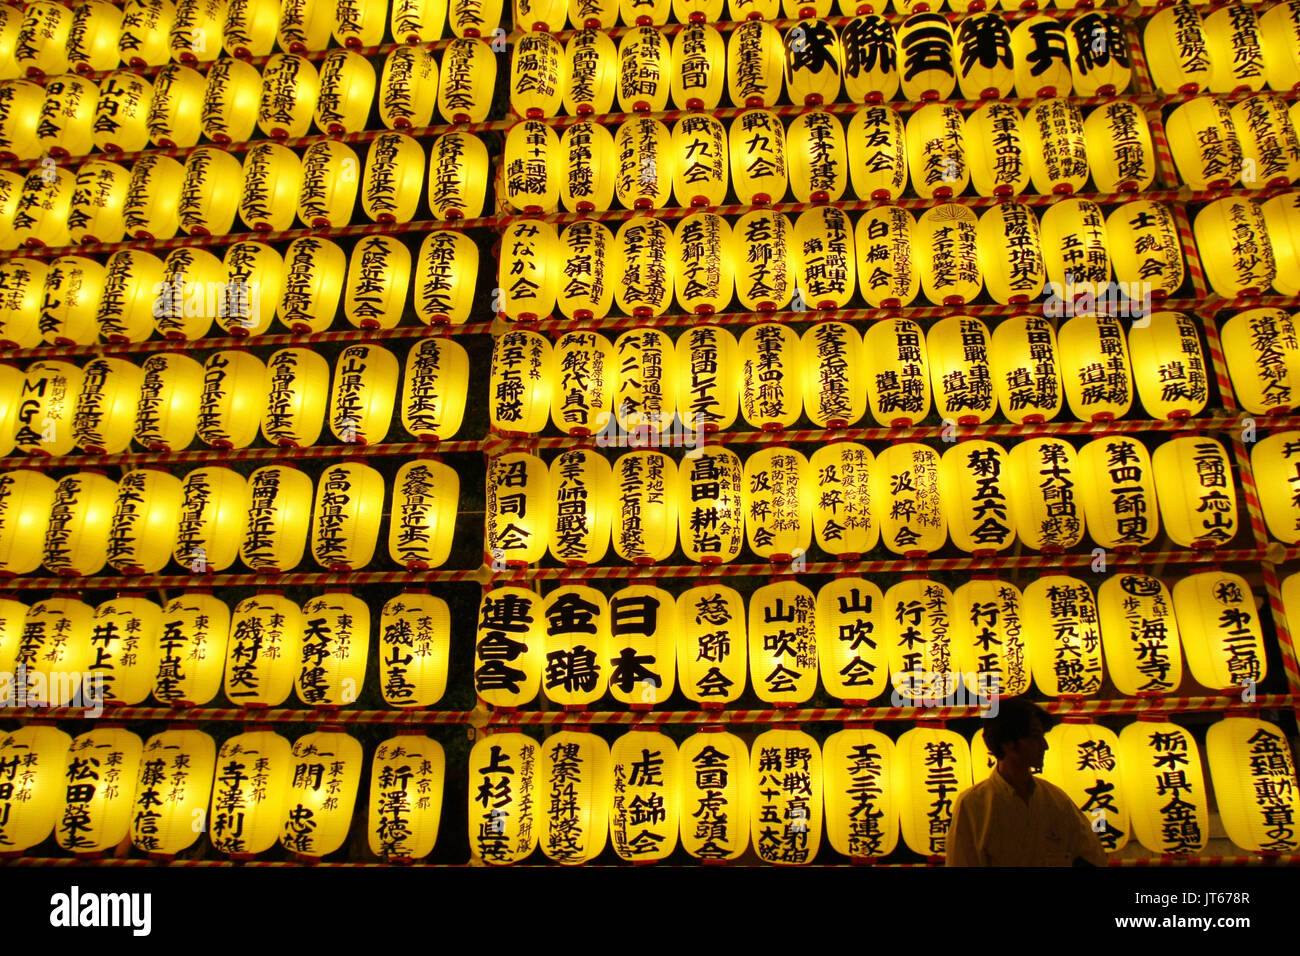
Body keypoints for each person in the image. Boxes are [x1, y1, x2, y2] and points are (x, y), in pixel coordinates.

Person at [945, 697, 1108, 867]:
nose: (1045, 746)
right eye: (1035, 737)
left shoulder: (1056, 800)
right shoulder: (973, 806)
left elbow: (1092, 857)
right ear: (1008, 743)